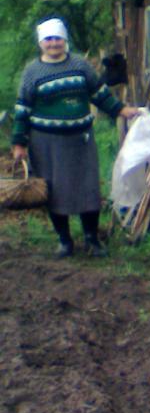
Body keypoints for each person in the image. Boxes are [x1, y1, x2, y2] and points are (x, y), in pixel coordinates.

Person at [10, 17, 139, 257]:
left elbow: (99, 94)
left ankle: (92, 239)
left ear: (64, 40)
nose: (53, 43)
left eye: (57, 38)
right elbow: (23, 109)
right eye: (48, 39)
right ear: (41, 43)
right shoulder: (32, 71)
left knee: (87, 187)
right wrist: (19, 143)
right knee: (54, 189)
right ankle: (64, 240)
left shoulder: (80, 65)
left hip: (80, 140)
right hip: (46, 143)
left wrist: (120, 110)